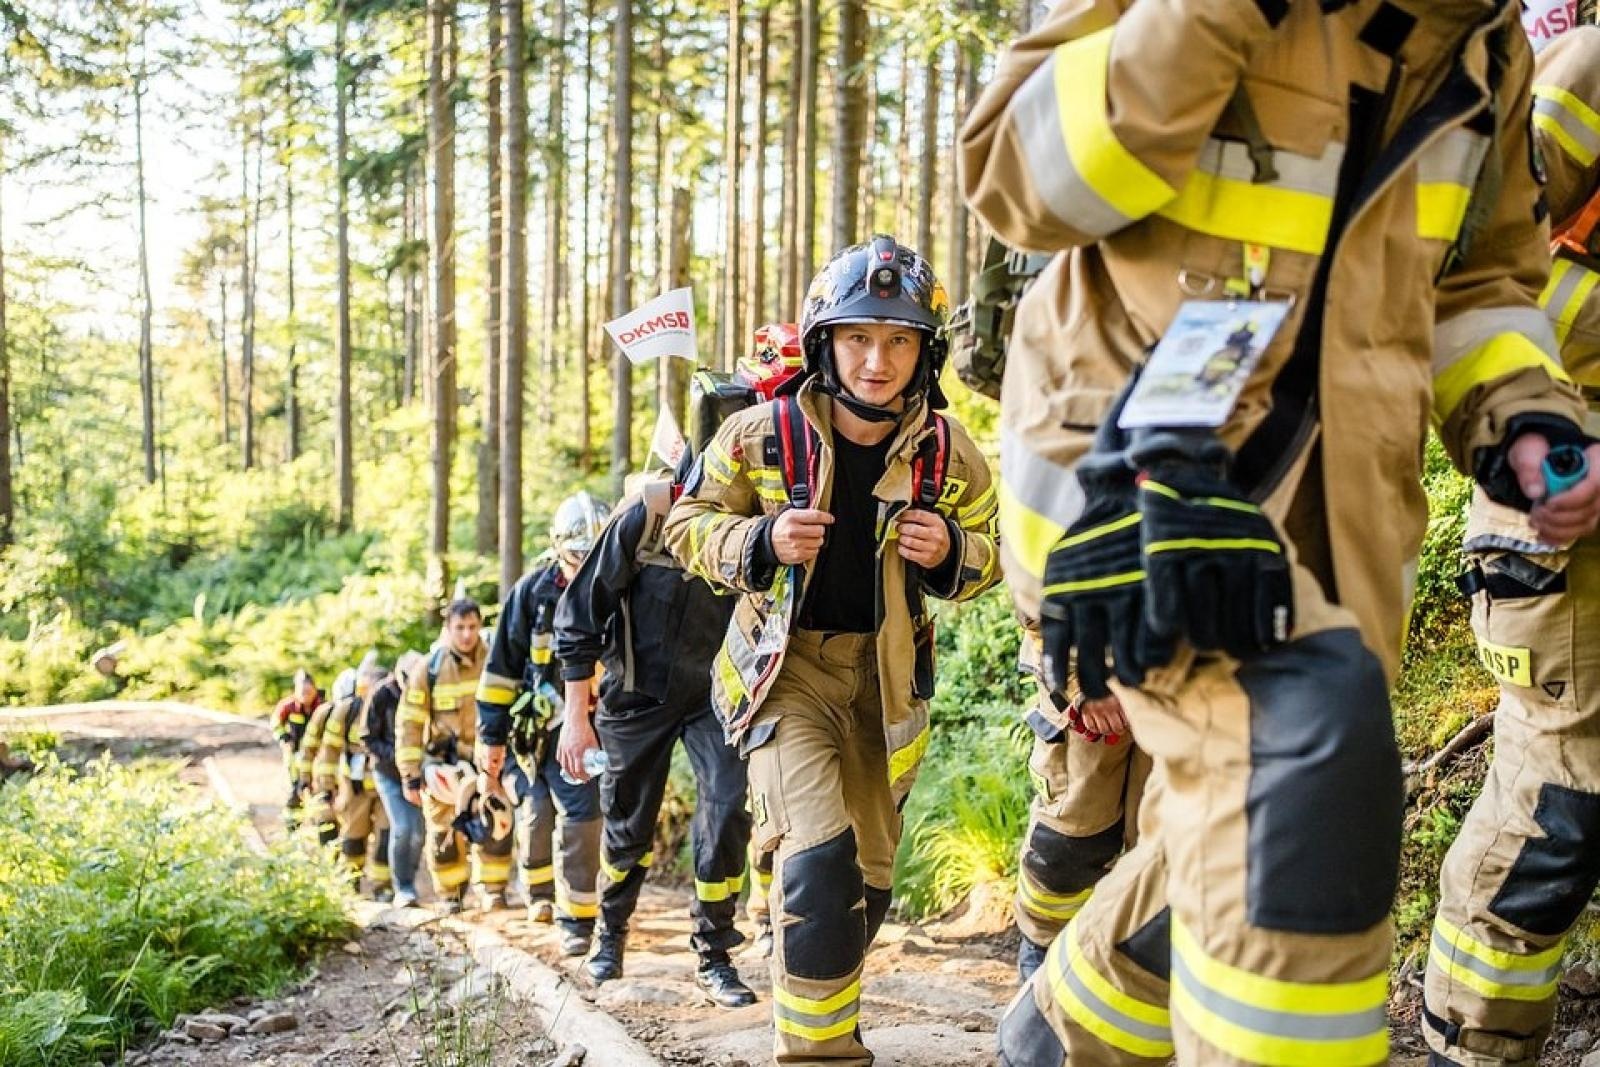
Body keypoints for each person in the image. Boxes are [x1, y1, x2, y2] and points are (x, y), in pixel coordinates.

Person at [959, 3, 1600, 1064]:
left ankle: (1049, 1040)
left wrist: (1523, 418)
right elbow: (1016, 179)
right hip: (1130, 493)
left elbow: (1480, 284)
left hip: (1343, 532)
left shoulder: (1489, 50)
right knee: (1308, 772)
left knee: (1227, 834)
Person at [665, 236, 1000, 1063]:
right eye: (858, 337)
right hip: (785, 673)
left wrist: (954, 549)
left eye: (898, 340)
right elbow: (682, 524)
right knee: (819, 864)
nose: (877, 360)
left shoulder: (952, 455)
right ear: (825, 342)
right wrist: (762, 537)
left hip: (884, 687)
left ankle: (811, 974)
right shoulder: (758, 433)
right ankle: (819, 1053)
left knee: (869, 881)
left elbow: (999, 556)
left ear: (926, 351)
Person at [1423, 12, 1600, 1066]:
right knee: (1559, 808)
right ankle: (1471, 1042)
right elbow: (1477, 266)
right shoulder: (1585, 71)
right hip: (1558, 489)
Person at [553, 347, 804, 1009]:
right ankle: (609, 933)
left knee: (726, 816)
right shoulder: (650, 513)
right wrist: (577, 714)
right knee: (627, 826)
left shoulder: (764, 524)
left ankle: (715, 954)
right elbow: (579, 613)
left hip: (717, 697)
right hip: (635, 697)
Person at [476, 492, 609, 956]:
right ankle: (539, 895)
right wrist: (491, 738)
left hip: (595, 727)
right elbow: (500, 672)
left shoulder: (618, 587)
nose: (586, 570)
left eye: (594, 557)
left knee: (583, 816)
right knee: (537, 813)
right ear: (559, 549)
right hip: (537, 732)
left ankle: (578, 919)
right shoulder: (532, 593)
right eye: (578, 558)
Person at [398, 599, 510, 914]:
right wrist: (410, 774)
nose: (466, 634)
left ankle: (494, 890)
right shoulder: (429, 669)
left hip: (487, 761)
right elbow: (409, 723)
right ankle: (451, 895)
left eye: (472, 627)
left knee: (496, 821)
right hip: (443, 765)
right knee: (443, 830)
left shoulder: (495, 661)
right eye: (459, 628)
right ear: (448, 629)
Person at [314, 653, 392, 900]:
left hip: (384, 786)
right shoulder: (346, 711)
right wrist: (326, 787)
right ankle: (350, 884)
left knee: (385, 835)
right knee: (353, 837)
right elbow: (329, 749)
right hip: (354, 788)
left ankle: (382, 886)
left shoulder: (389, 709)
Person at [366, 649, 426, 907]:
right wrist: (395, 755)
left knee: (419, 832)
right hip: (388, 773)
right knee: (402, 828)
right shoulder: (382, 694)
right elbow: (367, 737)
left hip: (417, 773)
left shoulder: (425, 690)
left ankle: (409, 878)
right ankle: (403, 887)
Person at [299, 668, 356, 848]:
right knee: (326, 821)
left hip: (347, 780)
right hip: (324, 779)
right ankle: (328, 861)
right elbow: (308, 748)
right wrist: (304, 778)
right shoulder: (324, 713)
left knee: (350, 826)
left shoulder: (359, 711)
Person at [271, 668, 320, 828]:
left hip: (315, 756)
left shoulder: (321, 706)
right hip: (294, 755)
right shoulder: (288, 706)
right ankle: (292, 826)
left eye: (308, 691)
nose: (305, 695)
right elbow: (276, 723)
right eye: (302, 691)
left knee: (316, 789)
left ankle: (317, 823)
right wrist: (284, 737)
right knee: (294, 789)